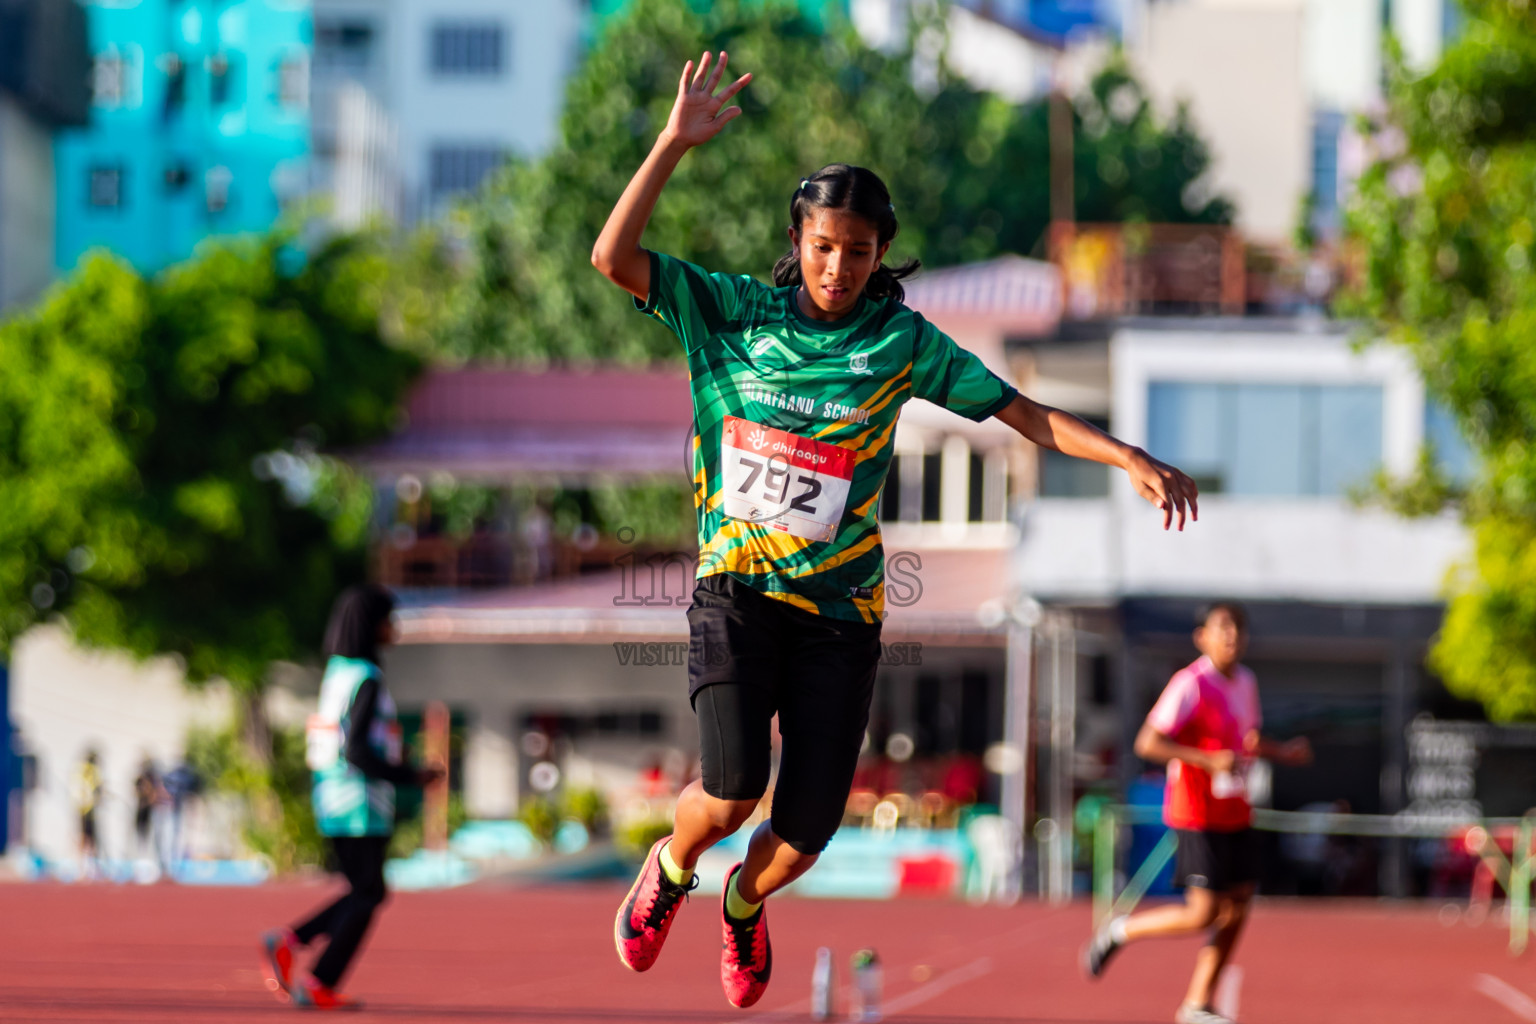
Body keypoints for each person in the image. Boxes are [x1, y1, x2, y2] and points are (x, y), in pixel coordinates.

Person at [592, 50, 1200, 1008]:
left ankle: (744, 906)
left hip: (840, 615)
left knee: (801, 838)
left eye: (860, 252)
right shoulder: (728, 315)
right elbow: (612, 258)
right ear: (798, 239)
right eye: (824, 246)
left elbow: (1024, 414)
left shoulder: (897, 342)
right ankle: (671, 870)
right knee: (732, 789)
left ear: (881, 256)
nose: (839, 268)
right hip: (739, 593)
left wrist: (1130, 457)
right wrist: (673, 142)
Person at [1082, 601, 1312, 1024]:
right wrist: (1206, 761)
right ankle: (1120, 930)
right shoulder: (1189, 684)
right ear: (1202, 636)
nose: (1233, 637)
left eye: (1239, 628)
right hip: (1196, 810)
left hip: (1235, 808)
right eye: (1223, 627)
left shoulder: (1246, 681)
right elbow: (1146, 743)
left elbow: (1247, 740)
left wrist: (1283, 752)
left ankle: (1197, 1003)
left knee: (1239, 906)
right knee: (1203, 913)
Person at [260, 584, 443, 1010]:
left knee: (367, 891)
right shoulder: (367, 679)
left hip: (332, 795)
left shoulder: (337, 674)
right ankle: (308, 965)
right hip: (358, 800)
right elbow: (357, 750)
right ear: (371, 625)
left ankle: (296, 949)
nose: (394, 629)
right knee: (369, 892)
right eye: (389, 620)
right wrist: (412, 775)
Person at [74, 748, 104, 880]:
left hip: (82, 808)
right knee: (90, 839)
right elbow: (96, 788)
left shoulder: (79, 769)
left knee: (85, 838)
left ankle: (84, 867)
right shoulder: (92, 770)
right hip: (88, 809)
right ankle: (88, 867)